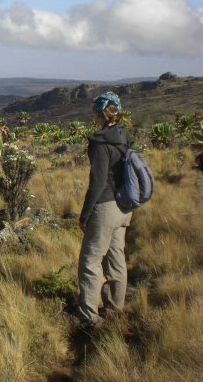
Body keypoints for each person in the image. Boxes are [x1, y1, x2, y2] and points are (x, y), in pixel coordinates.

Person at [75, 91, 132, 327]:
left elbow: (97, 183)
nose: (94, 117)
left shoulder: (99, 142)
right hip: (124, 206)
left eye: (95, 113)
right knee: (116, 257)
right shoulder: (123, 136)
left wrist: (85, 214)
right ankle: (115, 308)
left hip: (105, 206)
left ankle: (89, 317)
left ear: (100, 113)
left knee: (90, 260)